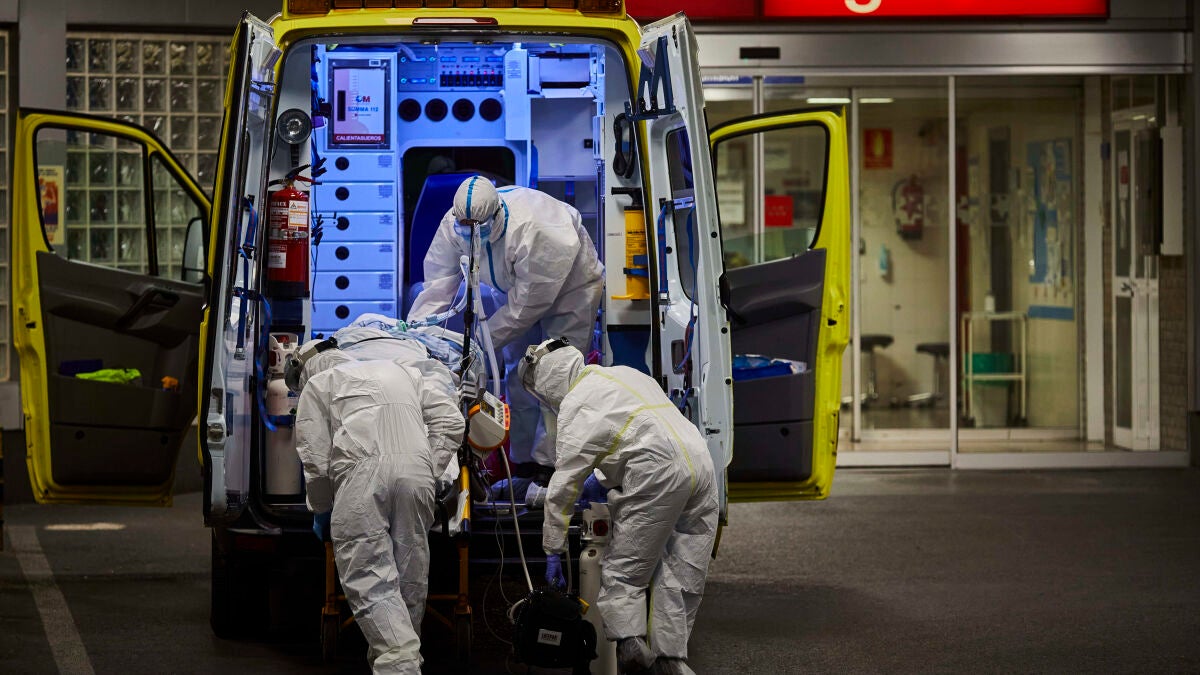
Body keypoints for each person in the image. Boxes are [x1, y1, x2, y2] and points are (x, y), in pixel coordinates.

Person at [519, 338, 719, 675]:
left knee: (624, 574)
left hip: (657, 470)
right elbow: (629, 429)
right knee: (681, 572)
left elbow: (563, 488)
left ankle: (632, 653)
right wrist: (603, 477)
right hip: (700, 464)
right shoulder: (623, 373)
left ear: (546, 382)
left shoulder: (575, 406)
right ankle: (671, 661)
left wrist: (552, 549)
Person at [407, 175, 604, 489]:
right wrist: (418, 334)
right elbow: (437, 287)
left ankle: (550, 467)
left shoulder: (536, 228)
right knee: (516, 373)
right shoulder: (453, 224)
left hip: (571, 292)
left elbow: (529, 303)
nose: (470, 234)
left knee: (556, 377)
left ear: (496, 215)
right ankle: (524, 464)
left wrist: (481, 344)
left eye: (478, 228)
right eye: (464, 227)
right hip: (512, 289)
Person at [290, 338, 465, 674]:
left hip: (361, 478)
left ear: (306, 367)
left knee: (371, 578)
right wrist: (427, 468)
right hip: (416, 476)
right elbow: (451, 422)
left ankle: (400, 664)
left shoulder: (319, 384)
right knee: (409, 575)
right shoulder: (401, 371)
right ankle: (402, 660)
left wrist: (322, 508)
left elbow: (315, 458)